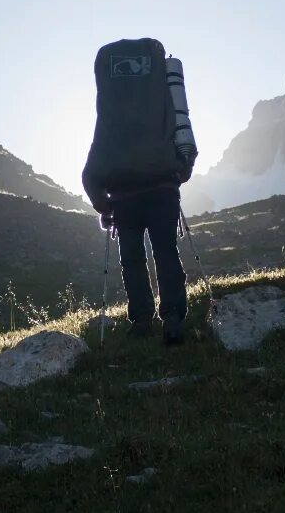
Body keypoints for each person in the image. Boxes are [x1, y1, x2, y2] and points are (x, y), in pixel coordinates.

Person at [81, 38, 198, 346]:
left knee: (132, 260)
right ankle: (173, 317)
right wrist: (178, 173)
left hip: (124, 199)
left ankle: (142, 321)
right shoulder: (162, 102)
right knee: (166, 252)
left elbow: (90, 172)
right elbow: (183, 145)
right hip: (162, 190)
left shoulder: (110, 118)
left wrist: (101, 204)